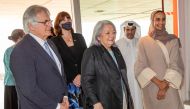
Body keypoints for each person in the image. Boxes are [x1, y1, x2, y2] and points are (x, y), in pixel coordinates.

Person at [10, 5, 69, 109]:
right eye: (45, 22)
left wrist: (65, 96)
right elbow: (29, 89)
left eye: (50, 21)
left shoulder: (50, 43)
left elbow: (60, 74)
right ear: (31, 26)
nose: (50, 25)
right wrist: (56, 106)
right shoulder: (21, 51)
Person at [134, 10, 184, 109]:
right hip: (151, 86)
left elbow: (175, 65)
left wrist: (164, 87)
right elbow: (140, 66)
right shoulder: (143, 41)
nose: (161, 22)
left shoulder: (173, 40)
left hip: (169, 86)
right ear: (152, 21)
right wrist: (159, 84)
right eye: (157, 19)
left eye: (163, 19)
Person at [81, 20, 134, 109]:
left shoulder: (116, 50)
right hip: (103, 102)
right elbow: (86, 81)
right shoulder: (91, 52)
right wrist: (95, 102)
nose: (112, 36)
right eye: (107, 33)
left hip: (121, 98)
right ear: (98, 37)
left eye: (114, 32)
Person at [51, 11, 87, 109]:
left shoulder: (79, 37)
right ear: (58, 24)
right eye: (63, 20)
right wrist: (72, 77)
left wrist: (81, 74)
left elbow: (86, 58)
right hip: (67, 85)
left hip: (83, 82)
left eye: (68, 18)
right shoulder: (54, 41)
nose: (67, 21)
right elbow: (57, 64)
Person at [116, 21, 143, 109]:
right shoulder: (117, 44)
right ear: (124, 30)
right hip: (124, 78)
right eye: (127, 29)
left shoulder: (141, 43)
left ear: (136, 30)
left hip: (139, 77)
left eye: (132, 29)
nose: (130, 32)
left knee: (140, 99)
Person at [4, 29, 25, 109]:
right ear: (20, 38)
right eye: (24, 36)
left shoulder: (23, 50)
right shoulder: (9, 51)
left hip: (20, 85)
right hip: (11, 85)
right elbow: (11, 70)